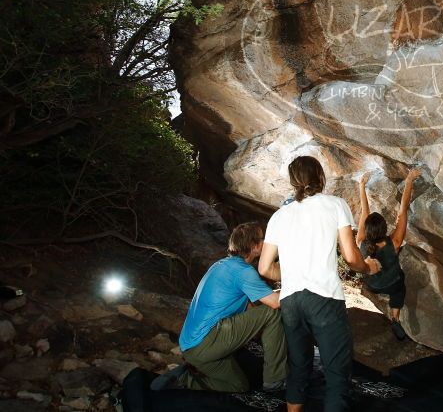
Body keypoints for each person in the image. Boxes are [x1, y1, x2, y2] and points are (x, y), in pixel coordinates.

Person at [258, 155, 381, 412]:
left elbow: (265, 268)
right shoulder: (335, 205)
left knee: (299, 368)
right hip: (324, 297)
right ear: (320, 177)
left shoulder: (279, 217)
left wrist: (292, 271)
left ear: (293, 182)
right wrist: (368, 267)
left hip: (291, 300)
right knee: (336, 374)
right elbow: (350, 257)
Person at [150, 222, 286, 393]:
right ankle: (275, 381)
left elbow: (253, 308)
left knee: (238, 386)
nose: (265, 242)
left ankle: (185, 381)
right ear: (253, 246)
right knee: (271, 314)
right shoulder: (243, 272)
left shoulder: (222, 265)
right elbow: (275, 303)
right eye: (262, 238)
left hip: (191, 347)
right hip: (207, 341)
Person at [356, 167, 420, 340]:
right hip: (392, 284)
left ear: (367, 230)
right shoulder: (395, 243)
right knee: (399, 288)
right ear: (385, 229)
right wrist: (409, 180)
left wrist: (362, 185)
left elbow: (365, 213)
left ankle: (392, 313)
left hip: (373, 286)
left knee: (390, 281)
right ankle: (395, 318)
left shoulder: (361, 241)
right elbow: (402, 211)